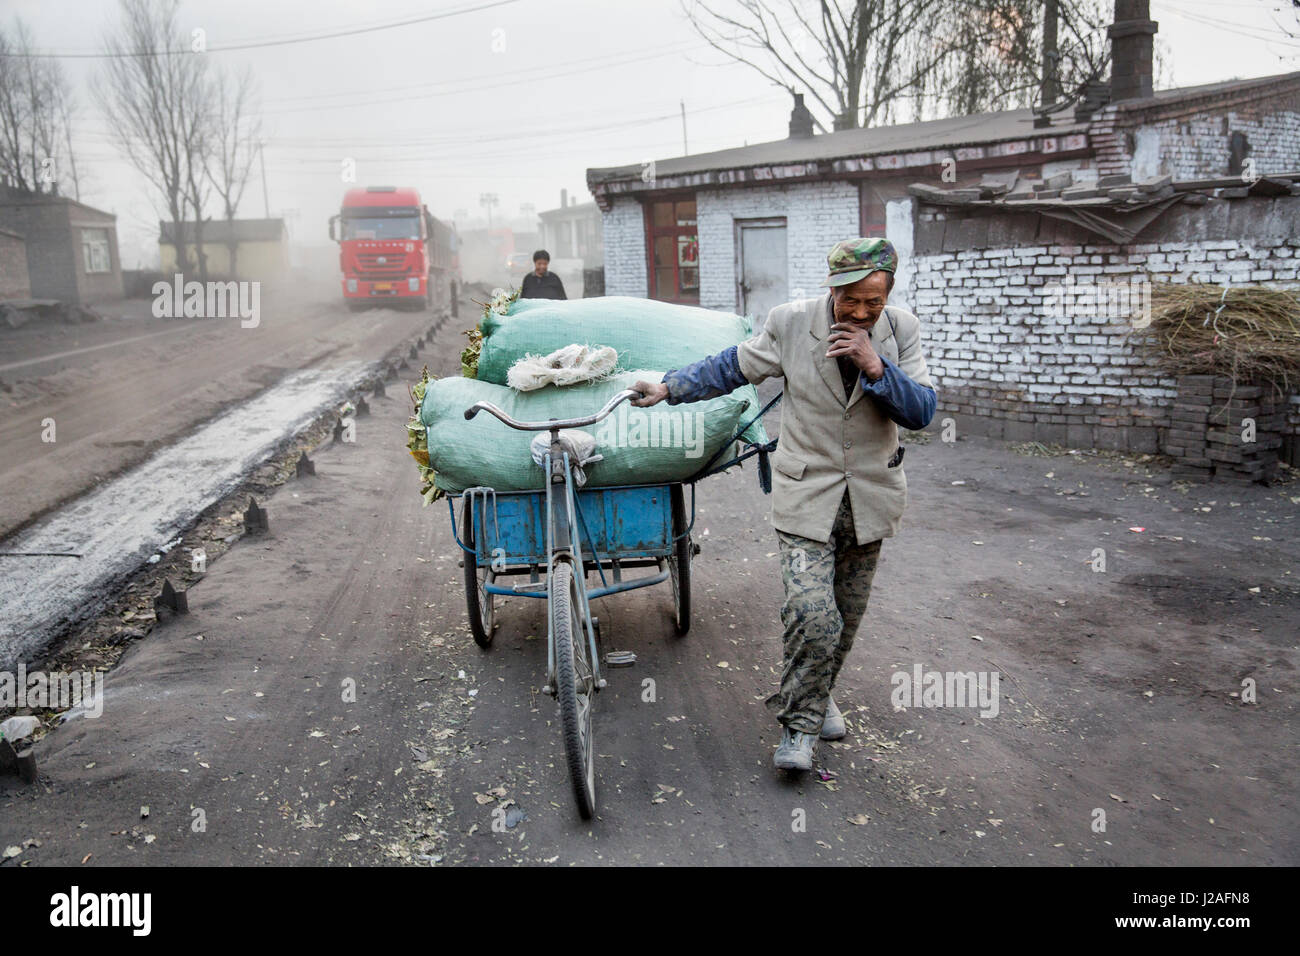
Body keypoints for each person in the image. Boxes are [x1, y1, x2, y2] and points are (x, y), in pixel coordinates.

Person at [632, 237, 936, 772]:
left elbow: (922, 412)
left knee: (845, 616)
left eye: (875, 302)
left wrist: (875, 365)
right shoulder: (791, 323)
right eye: (853, 300)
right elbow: (733, 367)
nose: (862, 312)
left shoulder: (901, 330)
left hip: (870, 497)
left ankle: (819, 696)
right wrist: (668, 387)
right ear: (833, 288)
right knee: (811, 613)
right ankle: (799, 726)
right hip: (805, 493)